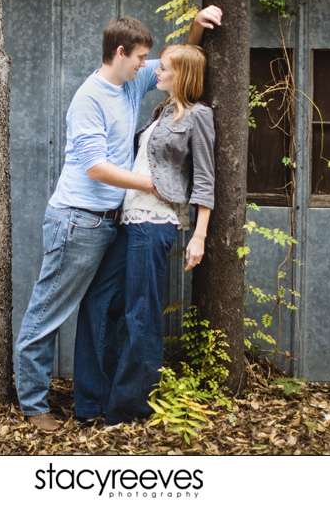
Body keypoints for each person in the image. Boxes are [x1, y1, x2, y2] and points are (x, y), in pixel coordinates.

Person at [14, 6, 223, 432]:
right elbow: (95, 167)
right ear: (121, 52)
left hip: (117, 222)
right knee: (49, 311)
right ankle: (35, 404)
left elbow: (179, 67)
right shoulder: (90, 99)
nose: (148, 68)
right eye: (141, 58)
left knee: (111, 308)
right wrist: (152, 186)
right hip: (78, 220)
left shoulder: (132, 85)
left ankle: (110, 406)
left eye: (151, 63)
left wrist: (197, 28)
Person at [73, 42, 215, 427]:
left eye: (165, 68)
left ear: (182, 75)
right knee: (98, 304)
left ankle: (126, 410)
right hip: (128, 220)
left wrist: (198, 235)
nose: (157, 72)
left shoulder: (199, 116)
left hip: (156, 224)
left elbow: (204, 180)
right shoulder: (162, 110)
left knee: (141, 314)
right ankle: (91, 404)